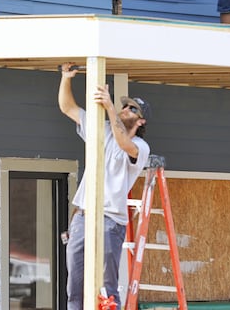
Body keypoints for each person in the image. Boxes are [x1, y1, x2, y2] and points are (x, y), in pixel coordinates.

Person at [58, 63, 151, 310]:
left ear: (140, 121)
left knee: (107, 289)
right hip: (83, 217)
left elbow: (124, 143)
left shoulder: (141, 147)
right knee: (74, 289)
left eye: (133, 108)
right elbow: (68, 108)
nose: (126, 109)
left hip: (110, 220)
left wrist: (109, 106)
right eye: (124, 105)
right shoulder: (104, 129)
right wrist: (66, 78)